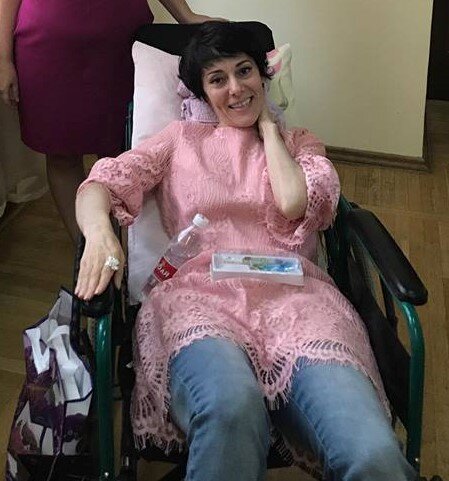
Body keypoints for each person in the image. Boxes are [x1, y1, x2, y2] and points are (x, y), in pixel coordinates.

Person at [74, 22, 417, 481]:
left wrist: (270, 129)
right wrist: (100, 233)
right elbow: (101, 183)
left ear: (263, 75)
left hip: (300, 305)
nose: (235, 88)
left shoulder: (300, 144)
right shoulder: (177, 140)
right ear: (202, 92)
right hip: (199, 300)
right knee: (231, 409)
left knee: (373, 453)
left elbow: (294, 203)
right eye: (218, 79)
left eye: (245, 71)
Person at [0, 0, 217, 243]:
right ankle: (89, 251)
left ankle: (126, 249)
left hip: (119, 44)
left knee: (123, 154)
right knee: (61, 155)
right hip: (47, 45)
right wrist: (2, 59)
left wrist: (185, 15)